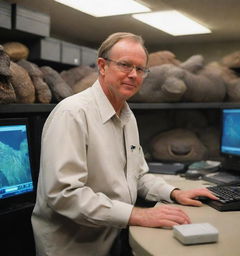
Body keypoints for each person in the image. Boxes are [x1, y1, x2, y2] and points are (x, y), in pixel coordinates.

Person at [31, 32, 217, 256]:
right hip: (74, 247)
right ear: (102, 66)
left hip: (112, 238)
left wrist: (174, 192)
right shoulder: (72, 113)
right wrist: (138, 215)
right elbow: (63, 194)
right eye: (125, 65)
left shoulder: (127, 115)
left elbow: (137, 175)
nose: (133, 75)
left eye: (140, 69)